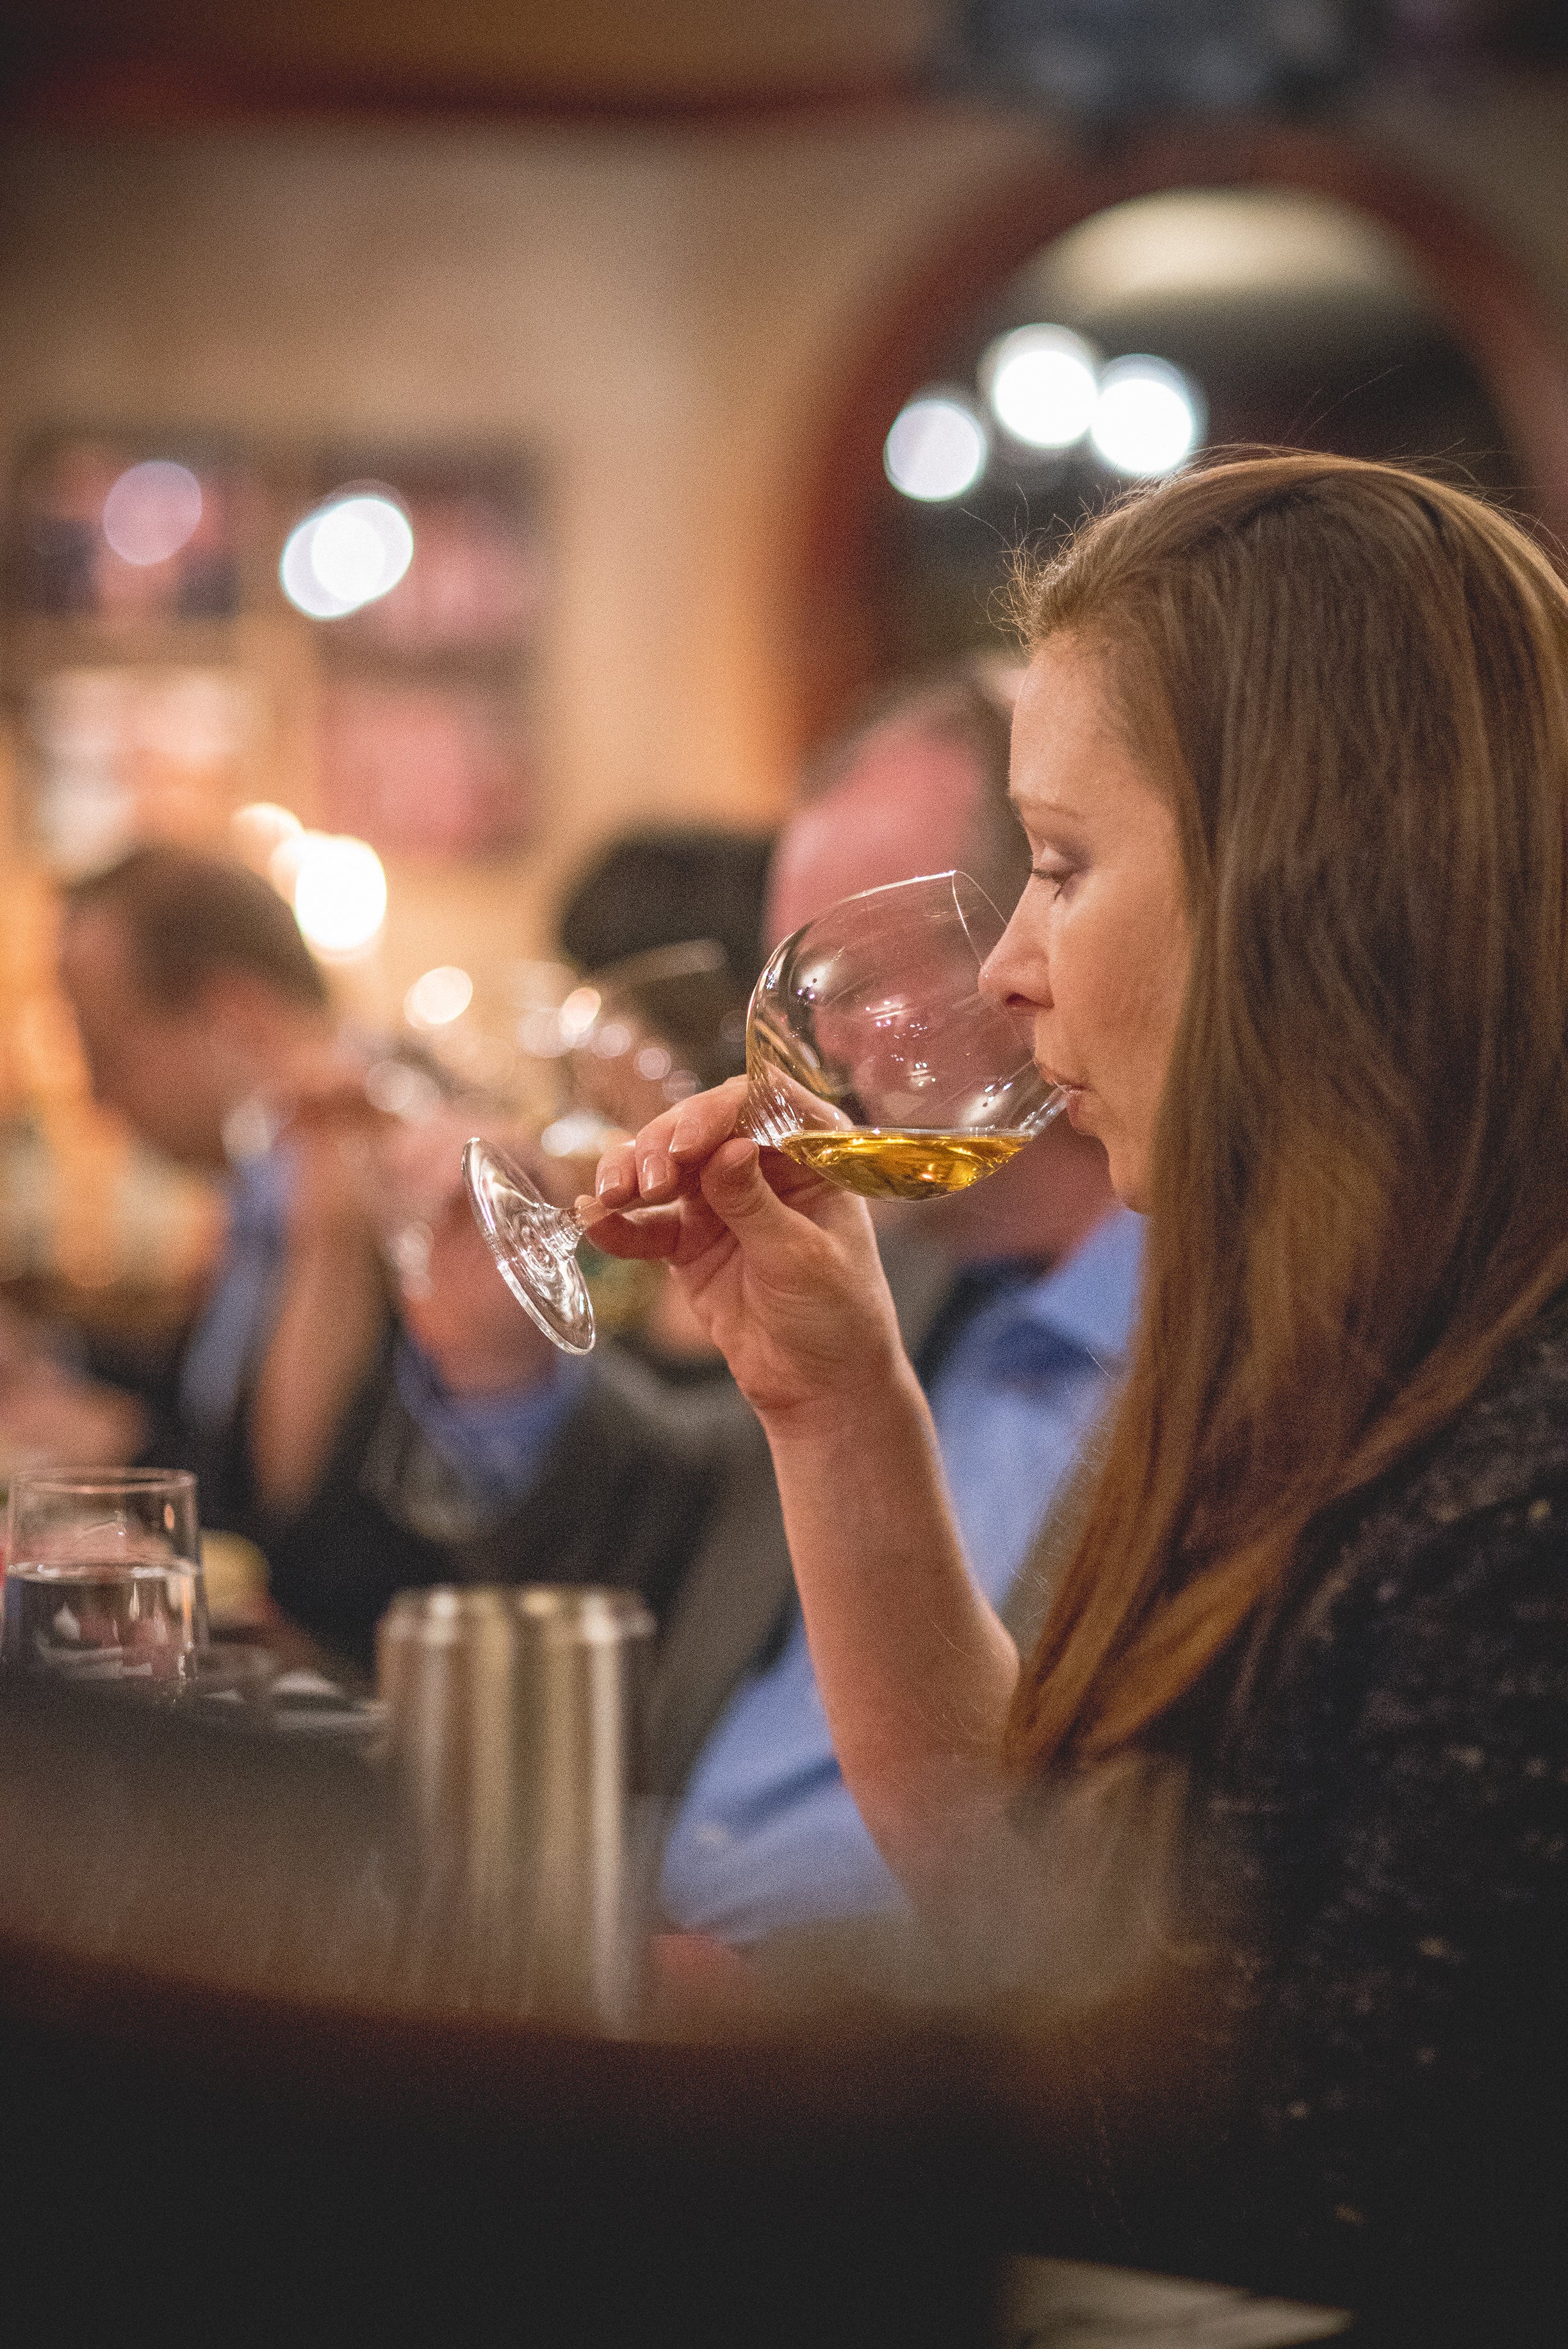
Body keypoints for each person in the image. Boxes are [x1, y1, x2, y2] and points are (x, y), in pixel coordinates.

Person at [579, 456, 1568, 2339]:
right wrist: (835, 1397)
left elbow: (1316, 2216)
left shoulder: (1525, 1472)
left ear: (1314, 871)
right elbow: (1039, 1911)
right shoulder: (1307, 1339)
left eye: (1061, 864)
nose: (1012, 971)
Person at [377, 664, 1135, 1940]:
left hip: (884, 2072)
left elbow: (1061, 1897)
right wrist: (501, 1366)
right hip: (653, 1962)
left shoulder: (1240, 1344)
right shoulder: (915, 1270)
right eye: (797, 979)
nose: (812, 1044)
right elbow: (698, 1510)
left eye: (861, 977)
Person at [56, 846, 409, 1584]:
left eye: (106, 1048)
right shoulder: (258, 1177)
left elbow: (305, 1527)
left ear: (233, 1016)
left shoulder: (411, 1159)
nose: (96, 1094)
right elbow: (220, 1427)